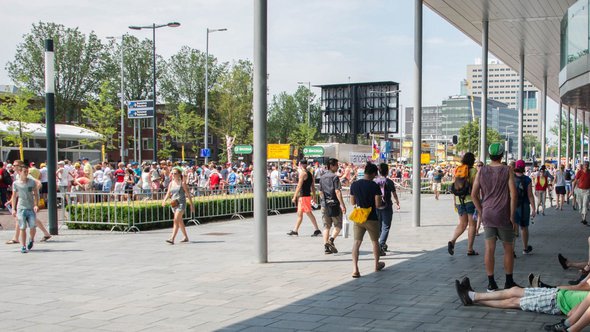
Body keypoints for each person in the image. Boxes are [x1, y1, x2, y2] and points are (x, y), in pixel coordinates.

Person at [472, 142, 519, 291]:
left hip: (488, 214)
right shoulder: (507, 170)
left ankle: (491, 283)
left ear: (489, 155)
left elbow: (473, 195)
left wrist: (481, 211)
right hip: (503, 214)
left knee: (489, 249)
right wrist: (512, 216)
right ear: (502, 155)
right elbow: (513, 194)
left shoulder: (481, 170)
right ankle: (509, 281)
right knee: (508, 249)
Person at [454, 276, 589, 319]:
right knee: (514, 290)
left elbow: (573, 313)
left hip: (555, 302)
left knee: (514, 302)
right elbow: (582, 286)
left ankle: (471, 297)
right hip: (557, 293)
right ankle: (473, 294)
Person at [349, 162, 385, 278]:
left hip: (359, 217)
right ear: (373, 173)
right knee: (375, 242)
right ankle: (376, 265)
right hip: (372, 217)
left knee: (356, 242)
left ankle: (355, 269)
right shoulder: (374, 186)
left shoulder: (354, 185)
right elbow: (378, 204)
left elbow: (352, 202)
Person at [448, 152, 478, 256]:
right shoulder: (474, 171)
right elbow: (475, 188)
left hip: (458, 200)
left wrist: (454, 203)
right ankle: (470, 249)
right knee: (472, 225)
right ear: (472, 161)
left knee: (462, 224)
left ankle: (452, 240)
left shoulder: (458, 169)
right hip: (470, 200)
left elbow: (455, 186)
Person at [318, 158, 346, 254]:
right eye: (336, 165)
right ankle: (331, 240)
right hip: (334, 204)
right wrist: (342, 205)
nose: (337, 167)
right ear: (332, 166)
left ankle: (326, 248)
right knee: (338, 225)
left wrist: (323, 201)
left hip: (324, 204)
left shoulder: (322, 177)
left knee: (326, 226)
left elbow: (320, 192)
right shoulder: (335, 177)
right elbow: (337, 191)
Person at [287, 159, 321, 237]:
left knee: (308, 213)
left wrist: (294, 196)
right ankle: (295, 230)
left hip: (304, 197)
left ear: (300, 164)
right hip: (305, 196)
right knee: (300, 214)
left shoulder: (303, 174)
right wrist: (314, 197)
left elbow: (299, 186)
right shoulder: (310, 173)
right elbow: (312, 186)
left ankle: (317, 229)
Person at [11, 165, 40, 253]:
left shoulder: (31, 182)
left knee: (32, 227)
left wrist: (36, 205)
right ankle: (23, 246)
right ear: (20, 172)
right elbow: (14, 196)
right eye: (25, 172)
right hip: (21, 208)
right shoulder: (16, 183)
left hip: (30, 207)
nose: (26, 174)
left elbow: (35, 194)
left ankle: (31, 239)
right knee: (22, 227)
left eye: (27, 172)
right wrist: (13, 209)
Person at [162, 167, 194, 244]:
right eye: (172, 173)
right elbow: (168, 193)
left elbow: (188, 194)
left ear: (179, 174)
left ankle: (172, 238)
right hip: (174, 203)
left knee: (176, 220)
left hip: (181, 203)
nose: (173, 174)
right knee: (179, 221)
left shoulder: (182, 183)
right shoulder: (171, 183)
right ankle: (186, 237)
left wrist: (191, 205)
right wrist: (164, 200)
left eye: (175, 173)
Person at [374, 163, 400, 255]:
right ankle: (381, 245)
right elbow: (394, 193)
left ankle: (379, 244)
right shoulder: (389, 182)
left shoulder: (375, 181)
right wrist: (397, 202)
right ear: (387, 171)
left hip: (377, 206)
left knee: (379, 226)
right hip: (387, 206)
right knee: (386, 226)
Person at [514, 159, 536, 255]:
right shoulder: (527, 180)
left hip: (513, 205)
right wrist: (534, 208)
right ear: (523, 168)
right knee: (524, 227)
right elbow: (530, 195)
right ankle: (525, 248)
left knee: (513, 228)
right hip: (524, 206)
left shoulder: (510, 178)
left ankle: (512, 250)